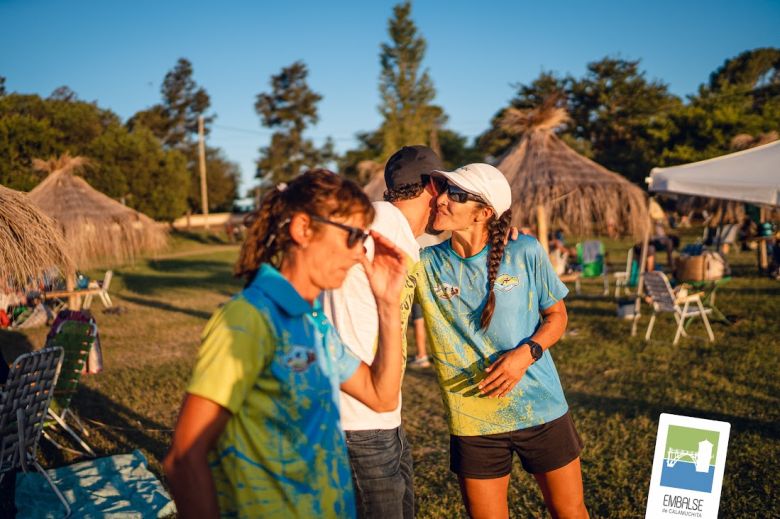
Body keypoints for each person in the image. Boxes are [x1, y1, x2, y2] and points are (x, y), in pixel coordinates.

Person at [163, 170, 407, 518]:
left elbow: (381, 397)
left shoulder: (314, 322)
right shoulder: (248, 318)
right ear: (303, 228)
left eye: (364, 240)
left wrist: (387, 303)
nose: (359, 255)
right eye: (352, 236)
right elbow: (184, 457)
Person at [417, 163, 588, 519]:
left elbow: (557, 317)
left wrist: (525, 355)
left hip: (541, 407)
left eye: (457, 194)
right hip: (473, 419)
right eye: (444, 190)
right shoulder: (423, 264)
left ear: (485, 212)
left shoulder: (524, 250)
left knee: (569, 512)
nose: (443, 199)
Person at [322, 145, 443, 518]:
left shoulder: (403, 234)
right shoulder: (379, 221)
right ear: (432, 188)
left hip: (383, 414)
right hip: (356, 418)